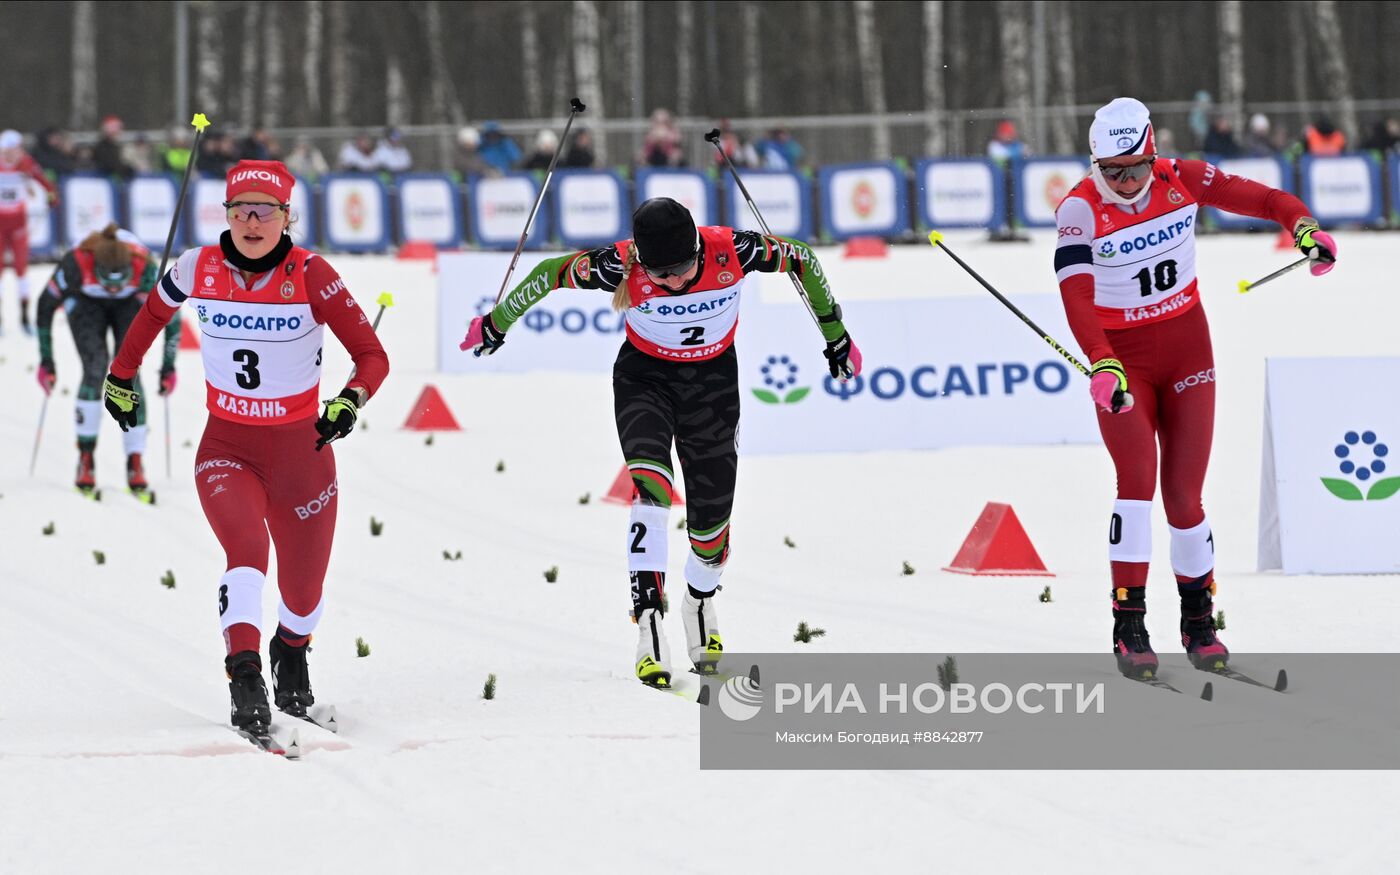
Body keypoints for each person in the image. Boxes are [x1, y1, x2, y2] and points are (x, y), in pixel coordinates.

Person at [461, 197, 861, 688]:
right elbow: (548, 272)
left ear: (697, 247)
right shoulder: (619, 265)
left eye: (681, 268)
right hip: (644, 380)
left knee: (711, 528)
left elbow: (802, 258)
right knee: (652, 486)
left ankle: (698, 602)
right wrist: (497, 323)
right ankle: (649, 620)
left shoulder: (731, 250)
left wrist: (835, 335)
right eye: (661, 274)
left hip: (712, 386)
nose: (673, 282)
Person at [101, 160, 390, 735]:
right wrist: (120, 373)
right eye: (240, 210)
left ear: (288, 217)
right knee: (247, 550)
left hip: (303, 454)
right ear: (225, 215)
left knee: (304, 595)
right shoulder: (197, 266)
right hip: (227, 448)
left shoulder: (311, 273)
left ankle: (292, 650)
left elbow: (373, 355)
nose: (251, 222)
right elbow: (154, 312)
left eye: (265, 210)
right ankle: (245, 673)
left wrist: (350, 401)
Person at [1053, 98, 1337, 680]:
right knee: (1135, 481)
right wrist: (1103, 363)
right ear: (1095, 164)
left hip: (1187, 348)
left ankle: (1199, 622)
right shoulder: (1079, 210)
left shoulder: (1180, 177)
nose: (1126, 183)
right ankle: (1129, 625)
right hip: (1124, 360)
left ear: (1153, 153)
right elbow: (1077, 296)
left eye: (1134, 167)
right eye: (1112, 171)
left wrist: (1303, 226)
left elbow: (1266, 199)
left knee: (1184, 496)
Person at [34, 224, 178, 498]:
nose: (112, 289)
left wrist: (168, 366)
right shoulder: (76, 263)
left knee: (129, 373)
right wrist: (46, 361)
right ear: (95, 266)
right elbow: (45, 306)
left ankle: (135, 461)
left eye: (118, 283)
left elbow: (172, 318)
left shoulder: (145, 267)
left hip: (130, 303)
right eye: (107, 283)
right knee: (95, 367)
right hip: (86, 301)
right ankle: (85, 459)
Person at [0, 129, 58, 336]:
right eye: (8, 150)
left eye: (16, 149)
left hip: (17, 224)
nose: (13, 154)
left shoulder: (25, 163)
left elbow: (44, 181)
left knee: (21, 269)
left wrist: (52, 195)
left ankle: (24, 317)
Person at [93, 115, 134, 180]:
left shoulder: (115, 146)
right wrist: (124, 169)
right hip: (104, 179)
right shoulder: (102, 147)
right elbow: (109, 164)